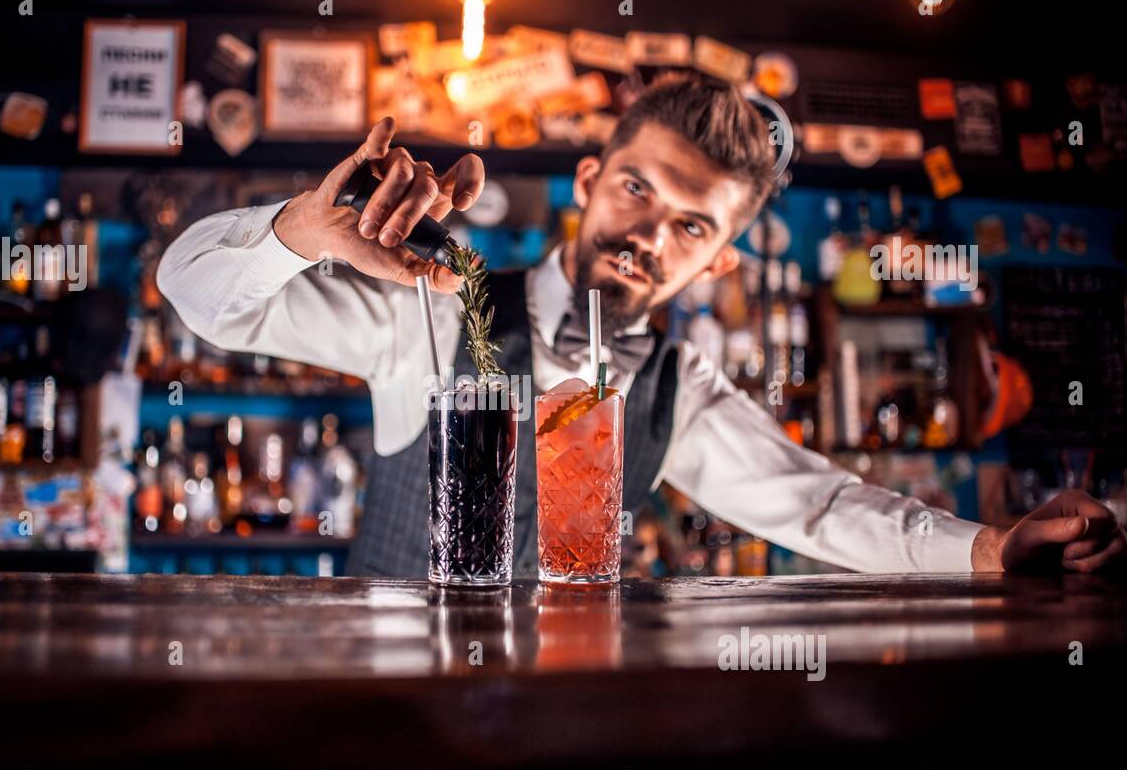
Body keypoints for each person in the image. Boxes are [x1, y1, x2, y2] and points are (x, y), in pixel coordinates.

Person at [157, 76, 1125, 578]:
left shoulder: (679, 384)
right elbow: (199, 294)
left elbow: (818, 507)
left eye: (692, 225)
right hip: (386, 720)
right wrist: (296, 229)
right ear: (589, 185)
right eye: (634, 188)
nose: (647, 235)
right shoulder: (435, 298)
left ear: (720, 262)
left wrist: (991, 549)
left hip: (572, 727)